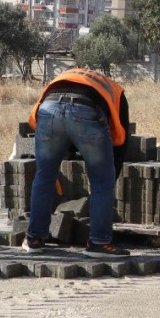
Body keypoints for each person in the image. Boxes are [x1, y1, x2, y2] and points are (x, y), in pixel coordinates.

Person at [24, 69, 131, 257]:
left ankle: (34, 239)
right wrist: (110, 175)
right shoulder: (116, 91)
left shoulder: (66, 76)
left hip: (48, 109)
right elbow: (121, 141)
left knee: (43, 177)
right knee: (101, 182)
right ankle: (99, 242)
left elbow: (45, 122)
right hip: (86, 111)